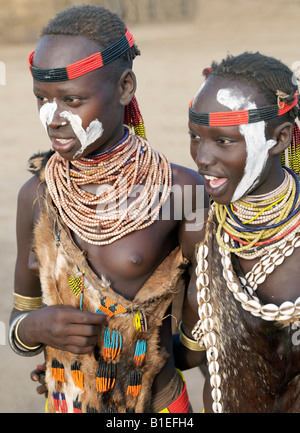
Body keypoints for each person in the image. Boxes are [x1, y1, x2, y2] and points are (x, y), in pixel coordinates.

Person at [8, 5, 207, 413]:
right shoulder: (36, 195)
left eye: (72, 99)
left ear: (124, 87)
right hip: (67, 403)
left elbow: (205, 331)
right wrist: (37, 329)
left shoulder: (181, 192)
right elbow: (18, 319)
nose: (53, 118)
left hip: (157, 405)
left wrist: (135, 356)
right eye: (41, 99)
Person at [183, 51, 300, 412]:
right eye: (195, 136)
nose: (201, 157)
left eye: (223, 141)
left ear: (279, 139)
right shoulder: (198, 228)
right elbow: (189, 354)